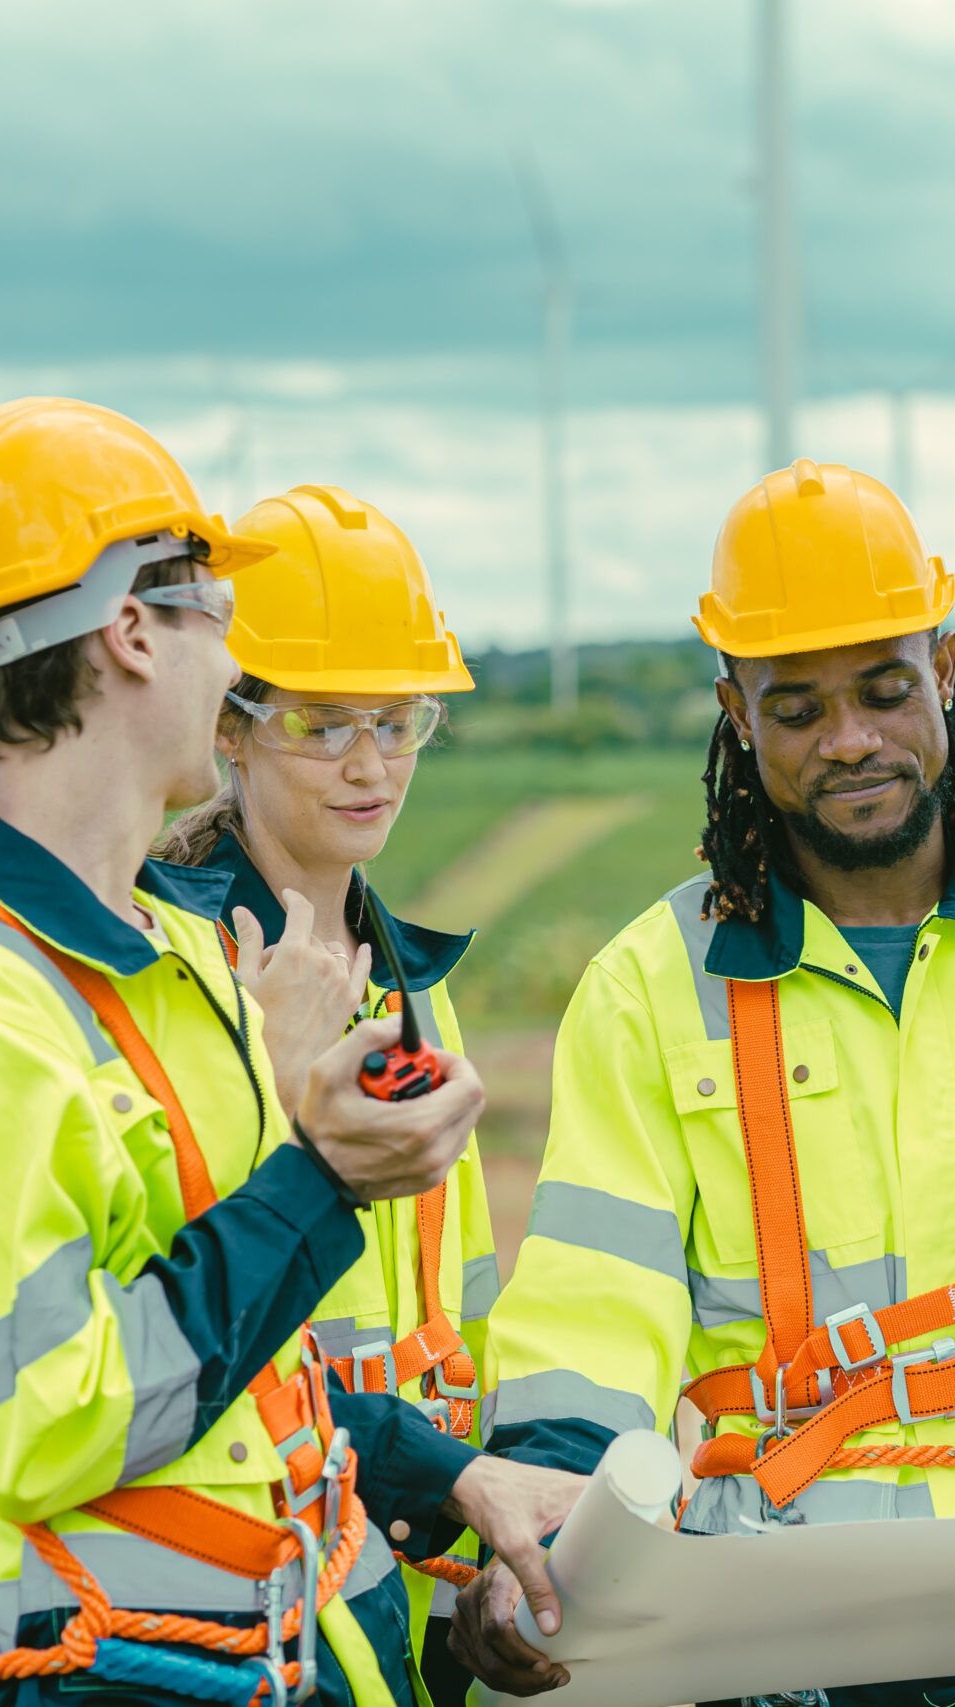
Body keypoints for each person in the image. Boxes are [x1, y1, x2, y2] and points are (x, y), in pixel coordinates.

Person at [0, 399, 515, 1706]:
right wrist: (322, 1171)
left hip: (284, 1652)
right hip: (120, 1674)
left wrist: (450, 1476)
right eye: (215, 614)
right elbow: (42, 1421)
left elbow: (258, 1361)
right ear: (132, 630)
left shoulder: (174, 965)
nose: (232, 652)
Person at [456, 460, 955, 1707]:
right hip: (795, 1611)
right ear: (735, 712)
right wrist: (549, 1521)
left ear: (946, 669)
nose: (850, 741)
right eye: (795, 710)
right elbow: (593, 1299)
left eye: (886, 692)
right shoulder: (650, 986)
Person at [155, 482, 583, 1706]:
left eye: (397, 723)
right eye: (323, 723)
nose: (369, 765)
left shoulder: (411, 991)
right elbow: (184, 1316)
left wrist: (489, 1505)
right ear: (227, 730)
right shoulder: (177, 974)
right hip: (268, 1577)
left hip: (422, 1558)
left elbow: (464, 1307)